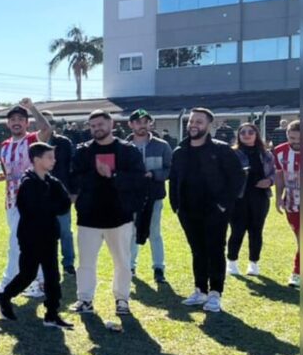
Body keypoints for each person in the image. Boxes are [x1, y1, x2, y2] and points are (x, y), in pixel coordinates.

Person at [68, 111, 146, 316]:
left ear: (111, 124)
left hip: (119, 217)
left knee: (122, 261)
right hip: (88, 217)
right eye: (92, 126)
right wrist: (96, 174)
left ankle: (122, 300)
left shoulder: (128, 151)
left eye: (100, 124)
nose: (96, 129)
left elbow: (138, 180)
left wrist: (113, 175)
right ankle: (85, 300)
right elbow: (75, 179)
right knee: (85, 263)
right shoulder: (83, 152)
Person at [0, 142, 74, 329]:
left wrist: (50, 205)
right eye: (49, 157)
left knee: (52, 275)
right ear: (37, 160)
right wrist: (50, 205)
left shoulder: (52, 182)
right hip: (31, 237)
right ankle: (3, 297)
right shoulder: (27, 183)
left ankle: (52, 314)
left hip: (50, 235)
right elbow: (34, 209)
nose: (54, 161)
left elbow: (64, 204)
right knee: (27, 274)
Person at [169, 108, 245, 312]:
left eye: (199, 122)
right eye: (191, 121)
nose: (193, 124)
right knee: (197, 251)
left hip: (215, 212)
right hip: (188, 211)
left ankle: (215, 294)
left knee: (214, 250)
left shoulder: (222, 150)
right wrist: (175, 205)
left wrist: (223, 205)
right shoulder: (180, 151)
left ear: (208, 125)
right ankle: (200, 290)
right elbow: (174, 178)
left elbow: (237, 179)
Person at [0, 99, 53, 298]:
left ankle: (8, 283)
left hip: (32, 200)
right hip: (10, 200)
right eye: (12, 119)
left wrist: (32, 108)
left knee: (17, 242)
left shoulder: (33, 139)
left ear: (26, 123)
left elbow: (47, 129)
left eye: (21, 119)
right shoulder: (5, 145)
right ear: (8, 124)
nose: (16, 122)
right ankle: (39, 283)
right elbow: (7, 173)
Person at [126, 109, 173, 284]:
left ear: (150, 123)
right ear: (131, 124)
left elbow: (170, 169)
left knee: (155, 232)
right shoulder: (124, 146)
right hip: (131, 197)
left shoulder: (162, 145)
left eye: (145, 121)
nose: (142, 125)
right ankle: (130, 266)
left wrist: (153, 174)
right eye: (138, 122)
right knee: (131, 232)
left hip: (154, 196)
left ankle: (158, 268)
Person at [227, 122, 275, 276]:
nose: (246, 135)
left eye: (250, 132)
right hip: (238, 198)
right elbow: (224, 174)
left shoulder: (266, 154)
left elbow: (274, 173)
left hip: (260, 197)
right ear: (238, 136)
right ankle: (232, 262)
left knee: (256, 230)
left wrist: (269, 181)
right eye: (243, 132)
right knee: (237, 230)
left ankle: (253, 263)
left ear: (256, 135)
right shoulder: (232, 153)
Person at [41, 111, 76, 274]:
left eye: (49, 122)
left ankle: (68, 263)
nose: (46, 125)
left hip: (61, 194)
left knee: (64, 231)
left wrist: (73, 191)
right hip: (39, 195)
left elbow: (72, 168)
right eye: (42, 122)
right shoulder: (33, 142)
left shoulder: (64, 142)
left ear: (54, 125)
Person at [273, 120, 301, 288]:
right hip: (292, 202)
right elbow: (279, 176)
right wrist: (278, 197)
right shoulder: (279, 151)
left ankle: (297, 273)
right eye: (292, 138)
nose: (296, 142)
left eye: (299, 139)